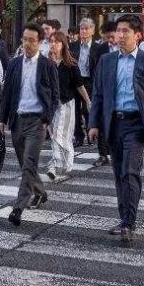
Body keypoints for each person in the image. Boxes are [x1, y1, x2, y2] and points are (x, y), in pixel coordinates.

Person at [88, 14, 144, 245]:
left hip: (137, 124)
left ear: (137, 35)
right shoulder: (107, 61)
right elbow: (98, 95)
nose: (120, 36)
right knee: (119, 173)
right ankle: (124, 219)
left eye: (125, 32)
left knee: (131, 171)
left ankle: (129, 223)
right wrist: (93, 124)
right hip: (114, 123)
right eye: (118, 31)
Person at [0, 24, 59, 221]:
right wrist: (1, 120)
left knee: (29, 163)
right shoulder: (14, 64)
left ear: (40, 42)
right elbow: (6, 95)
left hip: (36, 122)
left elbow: (55, 96)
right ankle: (40, 192)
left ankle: (18, 208)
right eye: (24, 39)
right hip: (17, 120)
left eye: (32, 40)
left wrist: (46, 119)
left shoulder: (48, 66)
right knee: (26, 164)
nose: (27, 44)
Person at [46, 31, 89, 182]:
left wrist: (88, 102)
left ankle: (56, 166)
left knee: (60, 134)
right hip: (50, 106)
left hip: (66, 104)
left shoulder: (70, 63)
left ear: (63, 44)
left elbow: (79, 85)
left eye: (57, 42)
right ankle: (61, 165)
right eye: (51, 41)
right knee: (54, 135)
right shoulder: (46, 63)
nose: (53, 44)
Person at [89, 20, 117, 168]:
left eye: (112, 37)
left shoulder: (126, 47)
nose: (110, 41)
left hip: (120, 92)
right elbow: (95, 68)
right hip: (104, 90)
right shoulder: (101, 49)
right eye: (107, 38)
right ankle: (102, 154)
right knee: (101, 122)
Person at [69, 18, 96, 146]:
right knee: (75, 110)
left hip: (89, 80)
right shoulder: (73, 46)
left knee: (87, 108)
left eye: (86, 28)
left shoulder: (97, 47)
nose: (83, 31)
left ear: (92, 30)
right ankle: (78, 136)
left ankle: (90, 133)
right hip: (75, 80)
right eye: (81, 29)